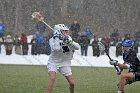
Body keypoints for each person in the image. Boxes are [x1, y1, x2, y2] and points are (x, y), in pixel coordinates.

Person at [47, 24, 80, 93]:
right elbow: (56, 48)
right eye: (65, 31)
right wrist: (56, 38)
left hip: (65, 63)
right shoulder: (52, 40)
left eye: (67, 31)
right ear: (59, 31)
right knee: (52, 78)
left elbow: (77, 47)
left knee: (72, 83)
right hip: (53, 62)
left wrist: (70, 42)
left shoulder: (68, 38)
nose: (67, 33)